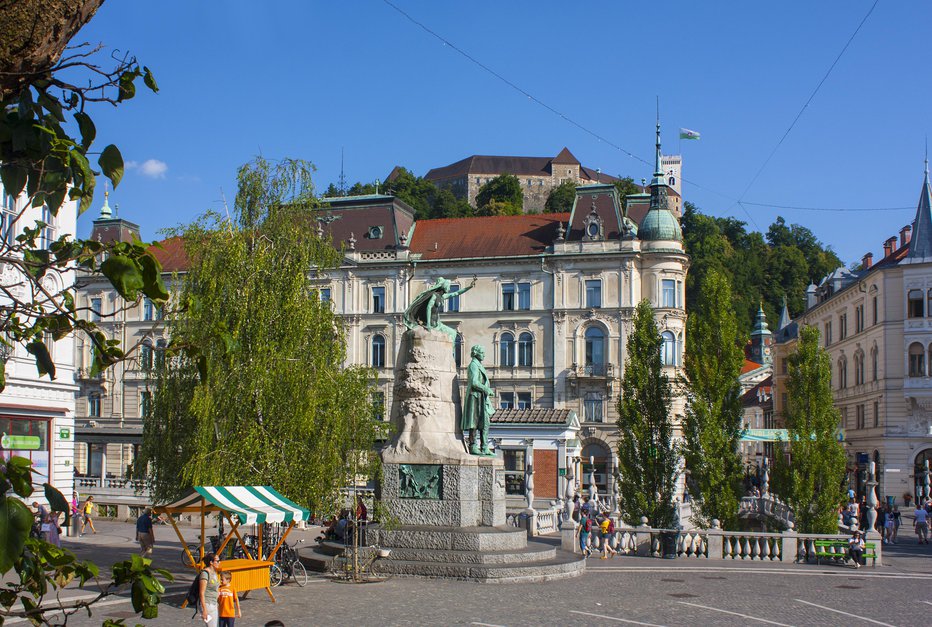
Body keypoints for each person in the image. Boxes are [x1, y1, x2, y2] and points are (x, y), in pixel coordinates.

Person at [461, 344, 495, 455]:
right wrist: (486, 389)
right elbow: (474, 382)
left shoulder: (479, 365)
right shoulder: (473, 365)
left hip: (481, 398)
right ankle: (473, 446)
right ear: (476, 353)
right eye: (482, 353)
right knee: (474, 422)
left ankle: (485, 447)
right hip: (475, 397)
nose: (484, 355)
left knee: (485, 422)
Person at [197, 553, 221, 627]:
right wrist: (204, 610)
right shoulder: (205, 574)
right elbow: (202, 593)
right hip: (207, 603)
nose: (219, 562)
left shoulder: (214, 572)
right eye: (217, 561)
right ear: (211, 562)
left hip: (213, 603)